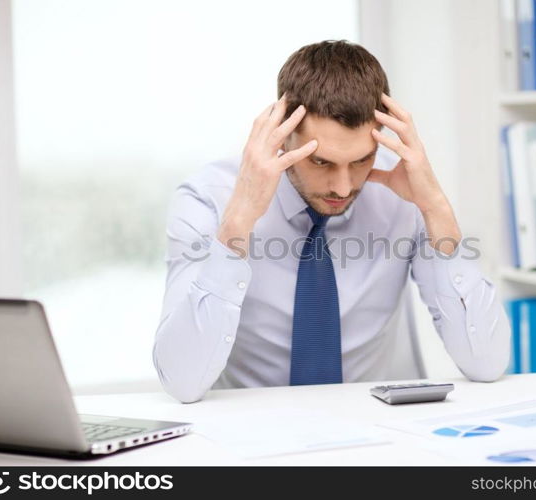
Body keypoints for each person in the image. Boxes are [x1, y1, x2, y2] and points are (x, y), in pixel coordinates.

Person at [153, 40, 511, 403]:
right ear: (281, 134)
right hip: (253, 432)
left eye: (360, 160)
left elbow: (487, 363)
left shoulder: (403, 192)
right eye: (321, 162)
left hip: (382, 426)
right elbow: (182, 381)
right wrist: (239, 219)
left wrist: (436, 207)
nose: (343, 187)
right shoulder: (207, 198)